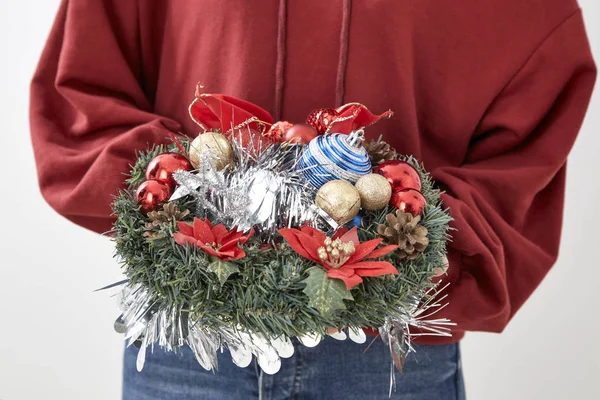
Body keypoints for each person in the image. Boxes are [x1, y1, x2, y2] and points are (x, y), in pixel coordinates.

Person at [30, 0, 595, 399]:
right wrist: (182, 200)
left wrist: (413, 239)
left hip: (391, 360)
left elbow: (531, 121)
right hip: (189, 342)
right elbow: (83, 91)